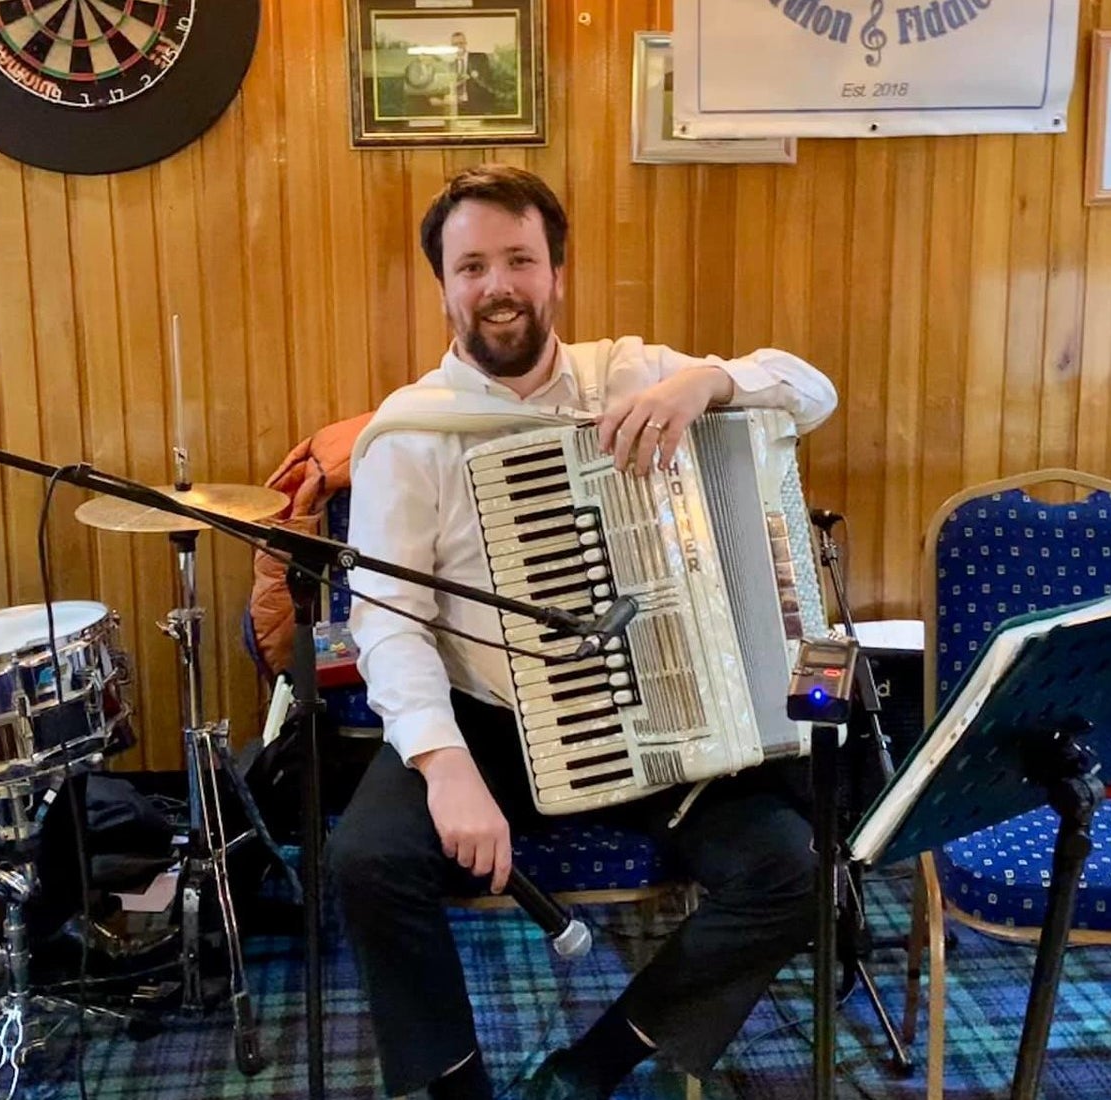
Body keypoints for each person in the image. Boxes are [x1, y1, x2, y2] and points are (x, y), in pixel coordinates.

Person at [328, 164, 838, 1100]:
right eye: (471, 265)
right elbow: (390, 627)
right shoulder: (411, 437)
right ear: (443, 287)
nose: (497, 286)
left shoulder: (632, 374)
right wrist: (446, 770)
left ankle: (592, 1066)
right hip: (489, 722)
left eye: (519, 259)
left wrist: (709, 384)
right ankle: (456, 1083)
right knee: (365, 859)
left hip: (659, 706)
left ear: (556, 272)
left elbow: (811, 391)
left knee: (797, 869)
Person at [439, 31, 497, 116]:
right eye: (455, 44)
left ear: (466, 43)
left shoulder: (479, 58)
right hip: (455, 106)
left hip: (476, 105)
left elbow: (487, 81)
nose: (458, 46)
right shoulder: (448, 63)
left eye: (461, 43)